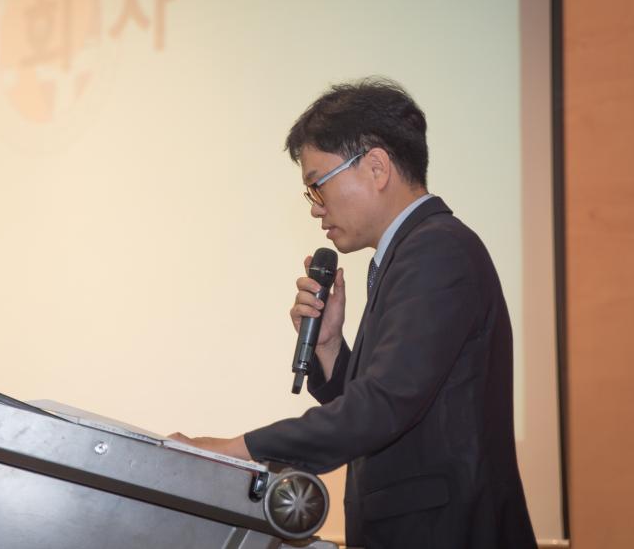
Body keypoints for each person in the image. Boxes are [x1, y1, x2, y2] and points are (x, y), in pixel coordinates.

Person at [171, 78, 537, 549]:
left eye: (317, 185)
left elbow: (382, 407)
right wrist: (328, 348)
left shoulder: (437, 250)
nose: (315, 209)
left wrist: (237, 450)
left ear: (377, 167)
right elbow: (397, 408)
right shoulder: (410, 253)